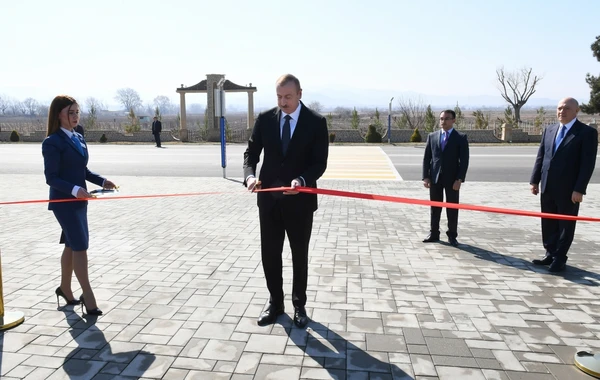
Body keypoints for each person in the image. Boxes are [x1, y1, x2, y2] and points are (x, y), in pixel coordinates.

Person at [243, 74, 329, 328]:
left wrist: (302, 180)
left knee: (298, 254)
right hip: (268, 200)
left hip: (300, 202)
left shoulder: (316, 122)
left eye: (288, 97)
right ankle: (275, 302)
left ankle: (299, 304)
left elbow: (319, 162)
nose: (283, 102)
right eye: (279, 97)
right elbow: (251, 153)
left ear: (300, 94)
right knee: (270, 253)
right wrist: (249, 177)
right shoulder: (265, 120)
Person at [42, 95, 117, 315]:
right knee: (80, 246)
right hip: (64, 202)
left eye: (77, 112)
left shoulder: (79, 135)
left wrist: (102, 181)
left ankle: (65, 288)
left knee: (71, 244)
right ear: (59, 115)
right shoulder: (52, 142)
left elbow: (82, 171)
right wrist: (75, 190)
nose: (75, 117)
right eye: (70, 112)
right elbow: (51, 178)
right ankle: (88, 296)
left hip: (80, 201)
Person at [530, 97, 598, 272]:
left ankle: (560, 257)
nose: (562, 111)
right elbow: (541, 156)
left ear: (577, 110)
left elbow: (587, 164)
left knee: (565, 224)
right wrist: (534, 180)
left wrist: (579, 189)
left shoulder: (586, 133)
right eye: (559, 108)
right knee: (548, 221)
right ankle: (550, 252)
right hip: (547, 186)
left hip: (569, 190)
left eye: (567, 108)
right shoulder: (550, 130)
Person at [422, 110, 470, 247]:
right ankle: (434, 233)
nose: (443, 121)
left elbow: (464, 161)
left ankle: (452, 235)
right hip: (435, 178)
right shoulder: (432, 136)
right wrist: (426, 177)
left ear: (454, 120)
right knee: (435, 208)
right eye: (441, 119)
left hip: (452, 180)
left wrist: (459, 179)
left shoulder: (460, 137)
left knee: (452, 208)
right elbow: (427, 158)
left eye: (446, 119)